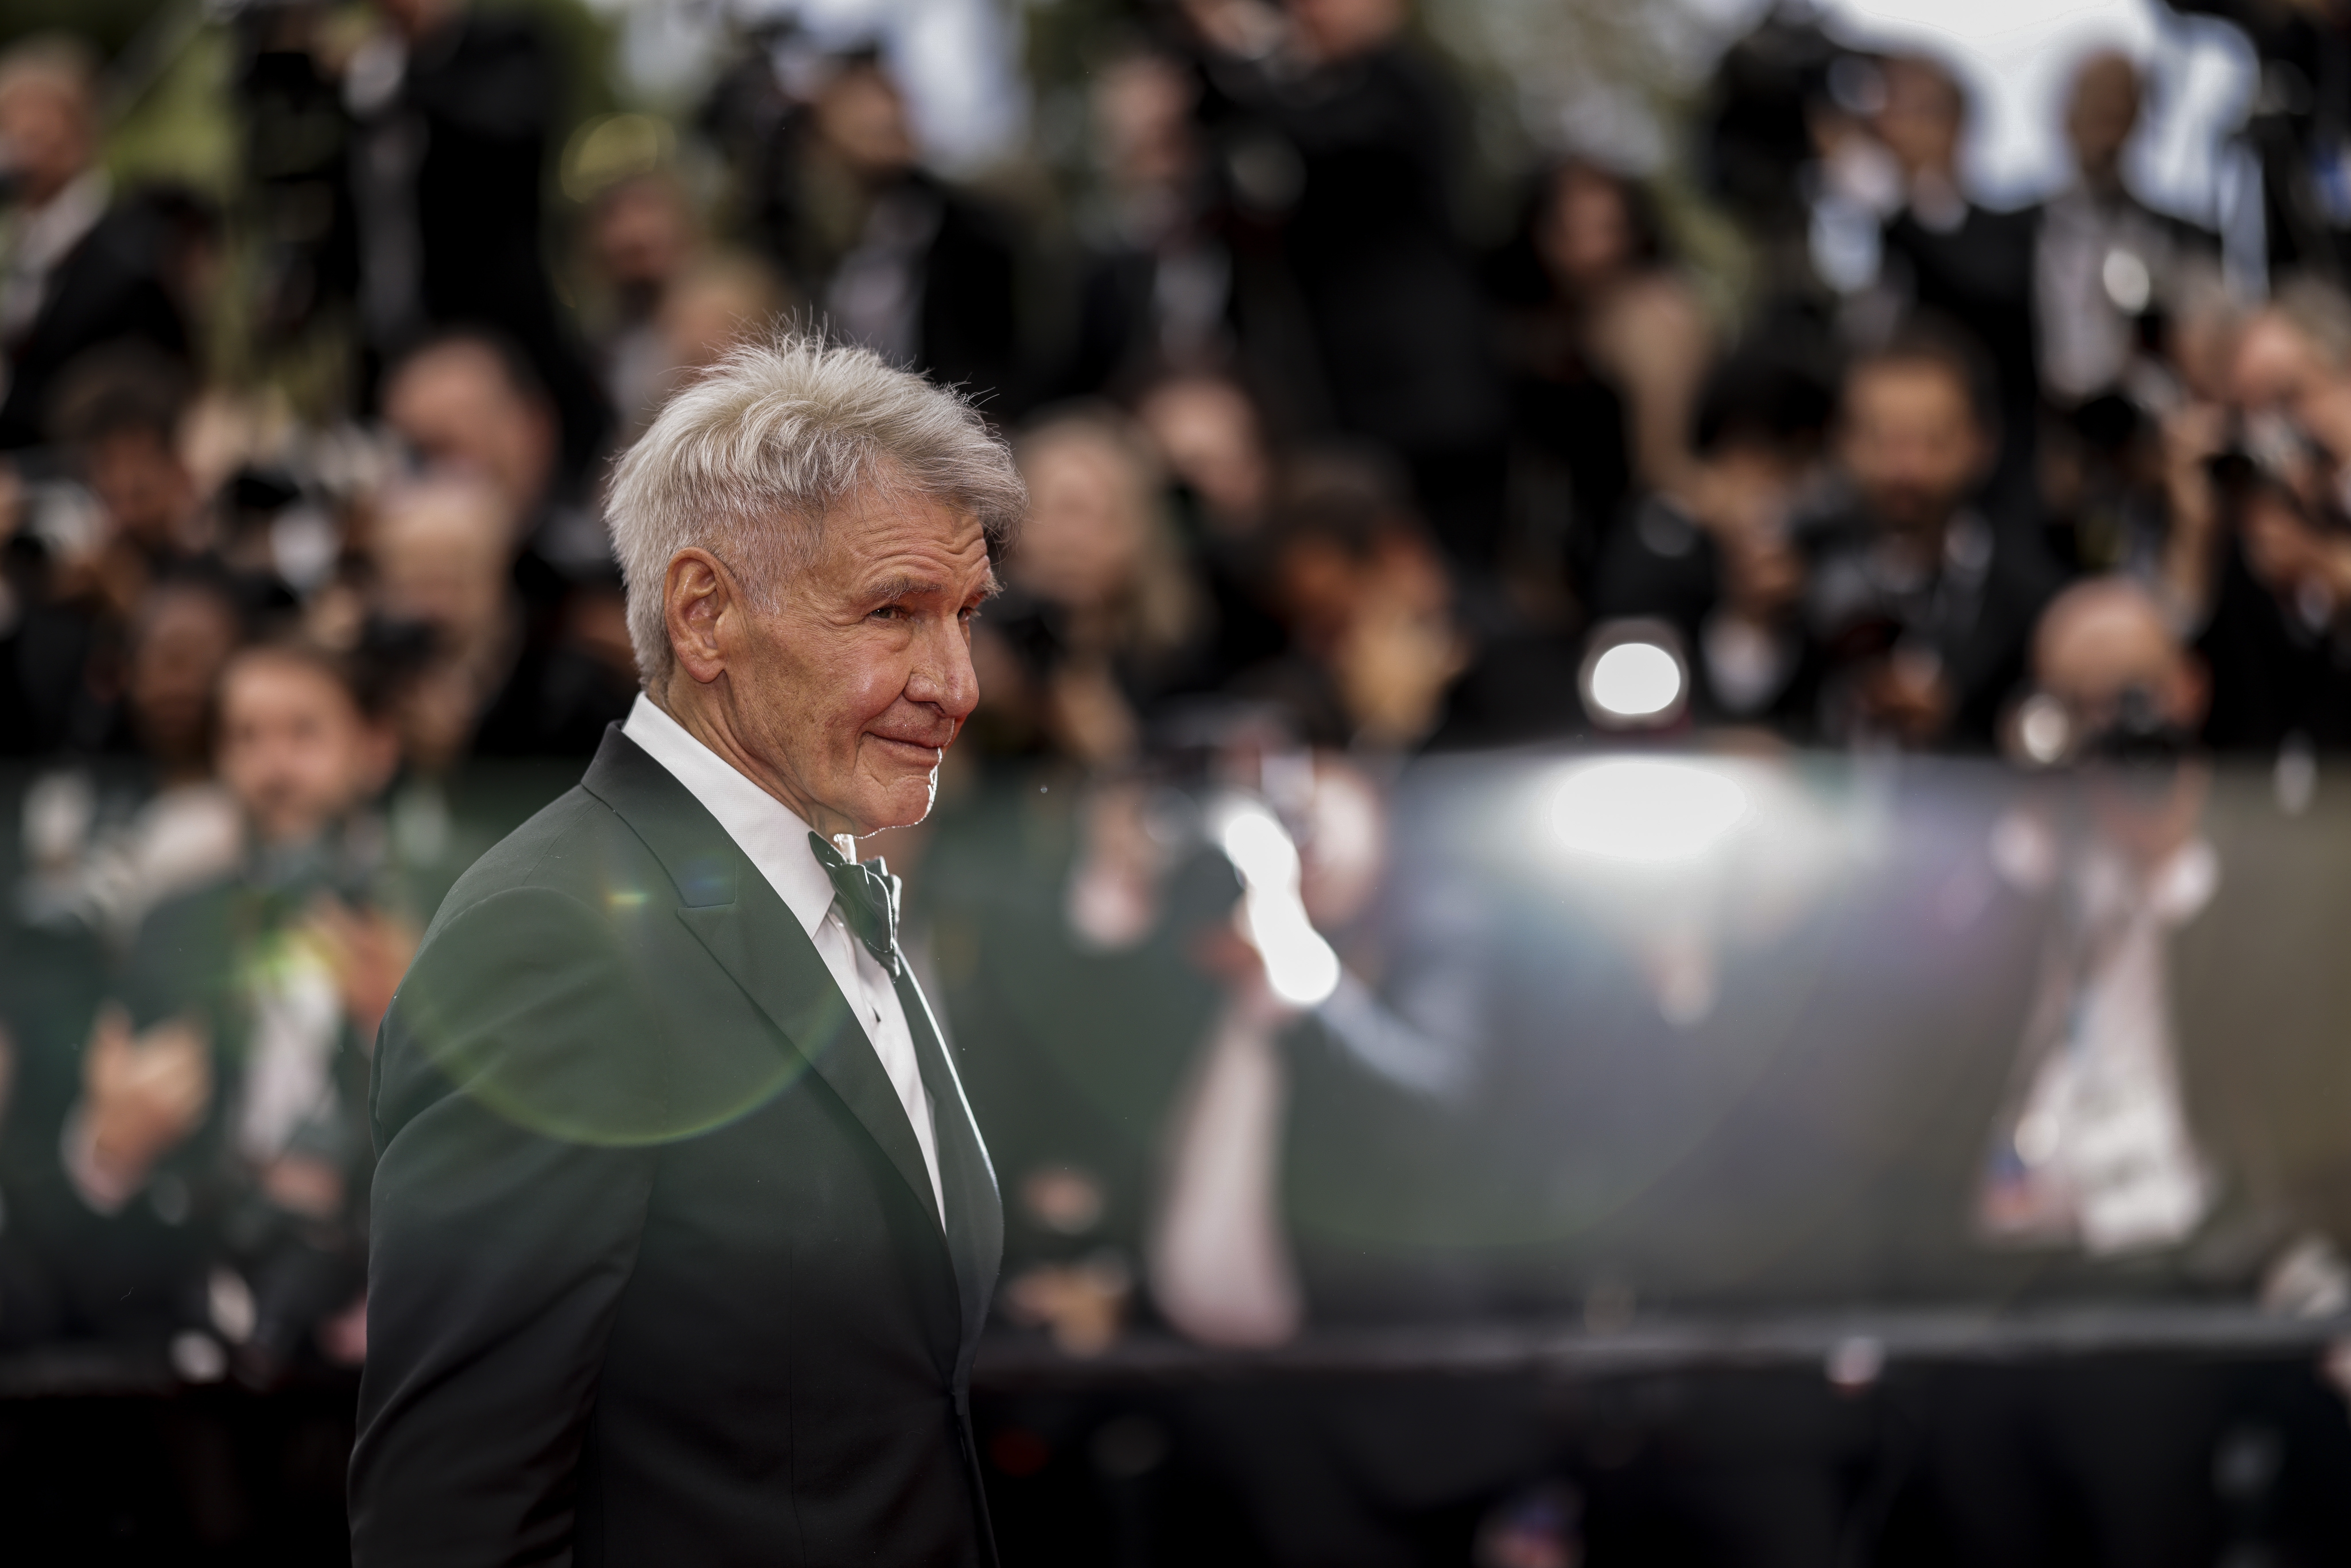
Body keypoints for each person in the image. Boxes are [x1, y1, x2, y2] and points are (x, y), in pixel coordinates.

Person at [350, 336, 1023, 1563]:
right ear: (704, 614)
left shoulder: (826, 878)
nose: (956, 683)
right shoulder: (554, 940)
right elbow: (449, 1515)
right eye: (891, 612)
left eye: (965, 615)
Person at [0, 36, 190, 453]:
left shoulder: (128, 255)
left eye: (39, 130)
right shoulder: (25, 248)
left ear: (81, 134)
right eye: (12, 128)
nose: (20, 149)